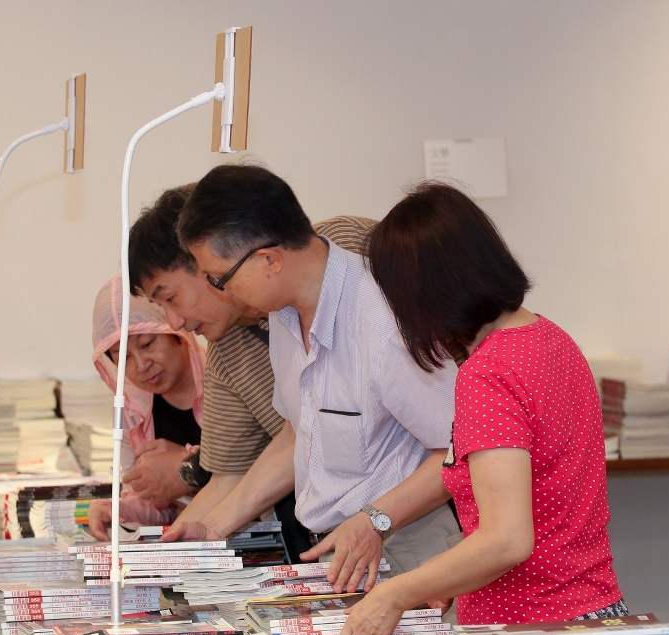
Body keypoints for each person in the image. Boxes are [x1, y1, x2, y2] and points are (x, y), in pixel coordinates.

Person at [336, 182, 627, 635]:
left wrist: (393, 595)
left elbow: (506, 539)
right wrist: (448, 576)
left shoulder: (488, 373)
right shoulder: (550, 337)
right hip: (589, 608)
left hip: (532, 624)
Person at [166, 165, 461, 595]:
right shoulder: (285, 316)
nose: (220, 293)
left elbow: (458, 449)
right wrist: (214, 526)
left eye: (219, 279)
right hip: (341, 550)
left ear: (269, 260)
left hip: (408, 545)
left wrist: (376, 520)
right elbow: (297, 435)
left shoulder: (383, 319)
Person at [129, 184, 378, 561]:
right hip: (355, 534)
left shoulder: (345, 251)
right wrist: (166, 556)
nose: (174, 322)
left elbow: (439, 428)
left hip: (414, 514)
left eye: (171, 298)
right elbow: (281, 445)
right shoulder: (237, 345)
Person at [85, 276, 206, 538]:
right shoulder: (132, 410)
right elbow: (156, 502)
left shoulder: (225, 380)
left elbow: (252, 464)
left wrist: (187, 465)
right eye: (123, 357)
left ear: (176, 331)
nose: (141, 365)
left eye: (148, 344)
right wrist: (117, 510)